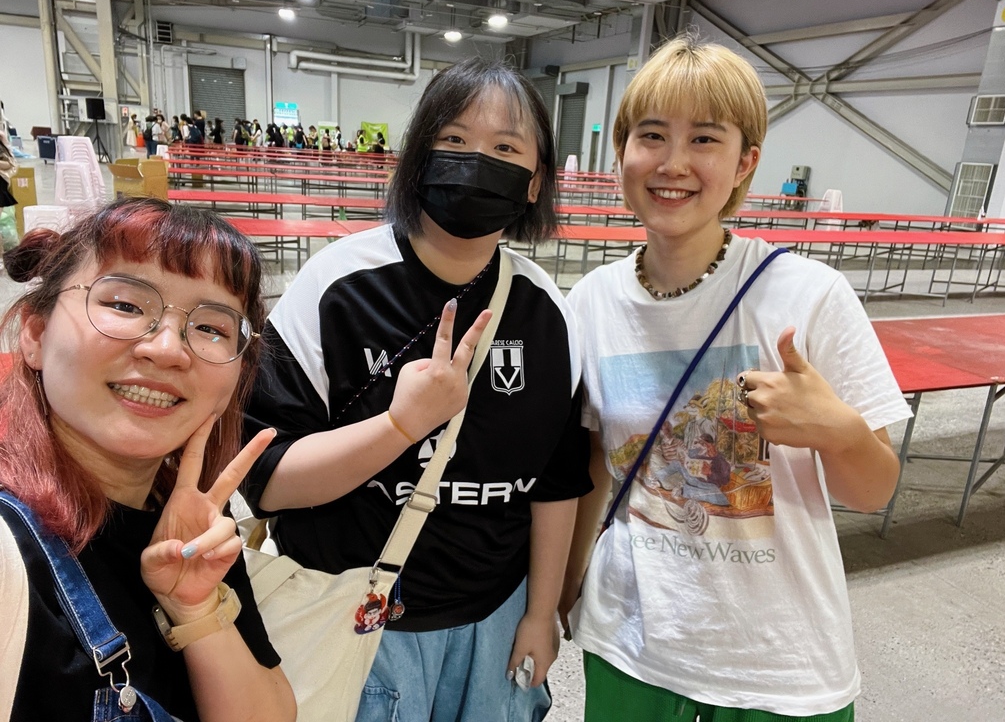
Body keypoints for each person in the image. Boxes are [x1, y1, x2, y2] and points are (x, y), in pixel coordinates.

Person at [559, 36, 912, 722]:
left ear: (745, 161)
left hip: (780, 663)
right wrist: (567, 589)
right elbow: (595, 462)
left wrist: (838, 432)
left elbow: (872, 493)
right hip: (631, 642)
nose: (673, 163)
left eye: (704, 139)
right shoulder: (591, 302)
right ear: (622, 151)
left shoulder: (810, 295)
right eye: (652, 136)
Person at [240, 57, 592, 721]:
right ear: (417, 157)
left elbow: (555, 483)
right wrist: (398, 428)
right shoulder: (335, 287)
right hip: (355, 619)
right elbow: (267, 479)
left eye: (505, 148)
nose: (476, 162)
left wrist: (540, 614)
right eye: (454, 139)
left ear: (535, 181)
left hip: (494, 620)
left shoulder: (549, 311)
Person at [0, 198, 297, 722]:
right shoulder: (8, 551)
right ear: (35, 334)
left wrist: (196, 609)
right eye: (125, 305)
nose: (167, 349)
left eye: (211, 328)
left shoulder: (189, 519)